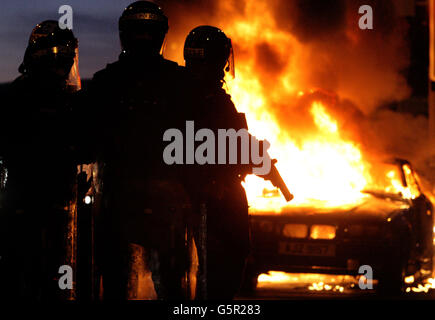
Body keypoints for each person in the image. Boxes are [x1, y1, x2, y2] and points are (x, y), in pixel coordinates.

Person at [79, 1, 194, 300]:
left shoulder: (105, 82)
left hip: (119, 198)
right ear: (162, 36)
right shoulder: (180, 81)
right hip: (166, 199)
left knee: (117, 284)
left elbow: (84, 140)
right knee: (171, 285)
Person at [0, 20, 81, 300]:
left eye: (66, 57)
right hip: (27, 205)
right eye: (57, 57)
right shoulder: (17, 99)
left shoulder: (71, 101)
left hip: (58, 206)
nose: (62, 64)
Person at [183, 25, 252, 300]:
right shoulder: (215, 102)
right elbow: (236, 149)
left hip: (186, 196)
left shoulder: (175, 94)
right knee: (226, 265)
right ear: (222, 59)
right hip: (217, 199)